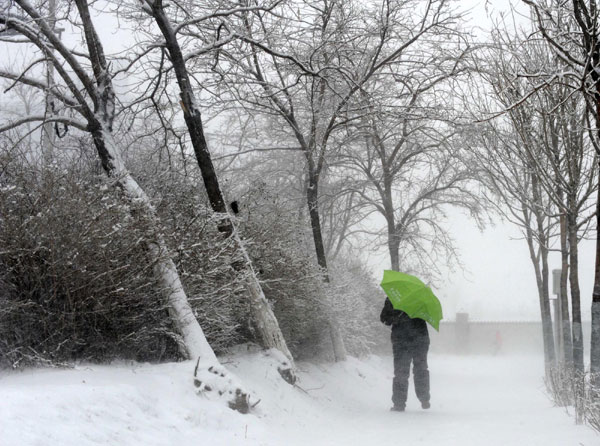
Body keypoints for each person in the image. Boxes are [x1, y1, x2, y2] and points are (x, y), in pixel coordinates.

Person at [380, 298, 430, 411]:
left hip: (409, 340)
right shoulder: (394, 300)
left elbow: (384, 319)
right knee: (414, 370)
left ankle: (405, 402)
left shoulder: (396, 298)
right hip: (412, 340)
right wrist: (397, 318)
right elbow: (384, 318)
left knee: (408, 371)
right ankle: (418, 399)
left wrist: (398, 318)